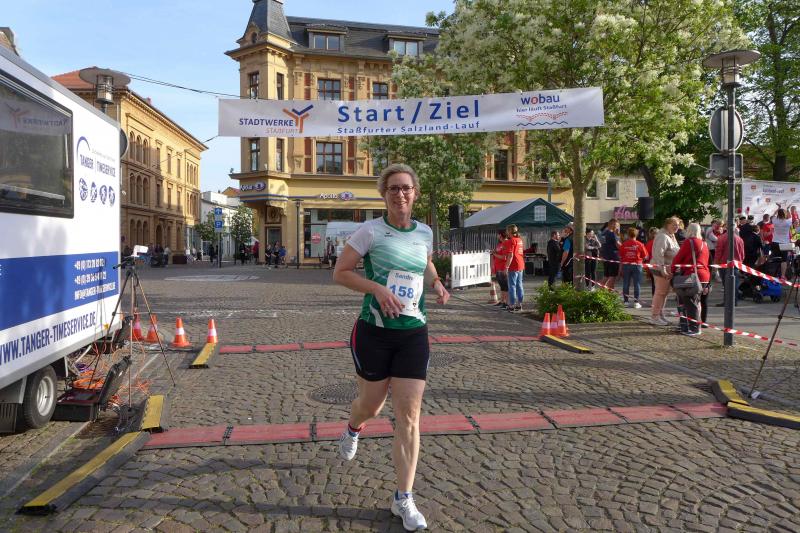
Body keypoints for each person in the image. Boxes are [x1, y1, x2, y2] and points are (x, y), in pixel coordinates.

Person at [332, 163, 449, 531]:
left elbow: (425, 264)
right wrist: (377, 289)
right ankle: (354, 427)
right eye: (394, 188)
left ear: (415, 193)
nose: (400, 194)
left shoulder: (425, 232)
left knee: (409, 416)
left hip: (413, 333)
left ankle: (403, 497)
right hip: (375, 333)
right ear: (384, 194)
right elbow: (341, 272)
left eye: (406, 188)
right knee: (371, 405)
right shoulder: (370, 231)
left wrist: (436, 283)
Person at [671, 223, 710, 336]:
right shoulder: (704, 243)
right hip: (704, 276)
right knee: (697, 302)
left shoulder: (689, 242)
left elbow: (678, 258)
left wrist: (672, 270)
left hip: (692, 276)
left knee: (690, 303)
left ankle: (694, 328)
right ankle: (688, 325)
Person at [650, 217, 681, 325]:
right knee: (660, 293)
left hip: (667, 269)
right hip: (661, 269)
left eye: (678, 225)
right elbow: (658, 254)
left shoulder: (671, 235)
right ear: (667, 225)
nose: (677, 227)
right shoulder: (663, 236)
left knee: (664, 293)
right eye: (674, 224)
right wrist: (662, 269)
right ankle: (655, 317)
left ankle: (660, 315)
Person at [620, 227, 648, 308]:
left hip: (626, 265)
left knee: (626, 283)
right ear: (637, 235)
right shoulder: (640, 244)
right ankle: (636, 302)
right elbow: (645, 256)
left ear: (628, 234)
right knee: (637, 284)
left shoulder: (624, 244)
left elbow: (621, 256)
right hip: (637, 265)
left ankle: (626, 302)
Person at [503, 224, 525, 312]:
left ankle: (511, 305)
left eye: (507, 231)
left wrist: (506, 267)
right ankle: (519, 304)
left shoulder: (511, 241)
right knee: (519, 285)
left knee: (512, 285)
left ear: (509, 231)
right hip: (520, 264)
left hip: (513, 265)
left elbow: (510, 255)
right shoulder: (519, 240)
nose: (506, 232)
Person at [599, 218, 621, 289]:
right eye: (617, 225)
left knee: (606, 275)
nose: (618, 227)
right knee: (612, 276)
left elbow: (602, 245)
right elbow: (618, 245)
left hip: (606, 257)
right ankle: (609, 292)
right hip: (613, 257)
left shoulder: (603, 233)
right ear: (613, 224)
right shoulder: (612, 234)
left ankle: (601, 291)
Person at [771, 208, 793, 278]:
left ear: (778, 214)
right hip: (785, 243)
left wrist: (778, 208)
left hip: (775, 242)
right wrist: (788, 209)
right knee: (784, 260)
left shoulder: (775, 221)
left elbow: (772, 215)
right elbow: (790, 216)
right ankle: (783, 276)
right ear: (785, 214)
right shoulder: (787, 222)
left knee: (775, 259)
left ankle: (774, 275)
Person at [493, 230, 510, 307]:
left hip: (503, 267)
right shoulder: (500, 244)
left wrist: (494, 254)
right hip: (498, 267)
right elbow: (498, 253)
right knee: (502, 286)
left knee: (505, 286)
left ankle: (506, 302)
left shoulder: (506, 243)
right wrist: (494, 252)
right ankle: (502, 301)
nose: (497, 236)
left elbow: (504, 257)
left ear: (500, 235)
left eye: (498, 235)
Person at [644, 227, 658, 297]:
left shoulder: (648, 244)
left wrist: (647, 269)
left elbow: (646, 257)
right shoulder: (661, 242)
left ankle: (654, 298)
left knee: (653, 283)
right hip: (660, 265)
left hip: (651, 266)